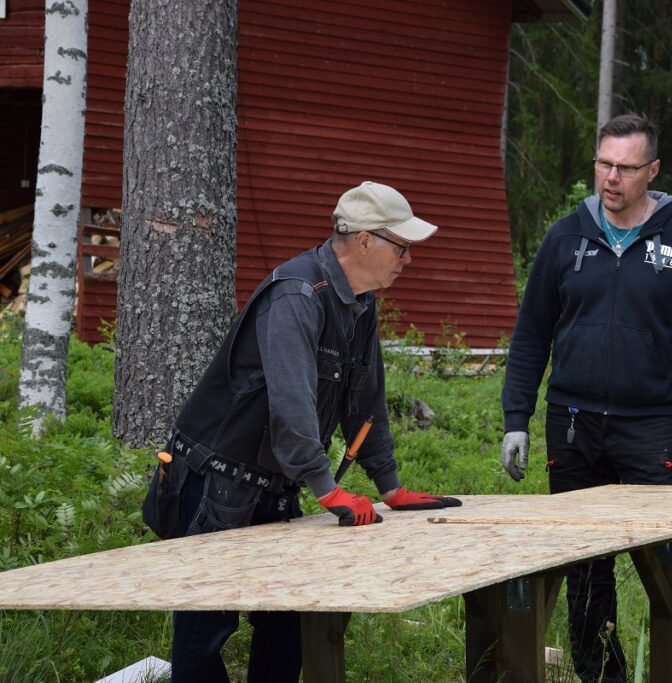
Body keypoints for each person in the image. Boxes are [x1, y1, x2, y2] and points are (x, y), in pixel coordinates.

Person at [142, 181, 462, 683]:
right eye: (401, 247)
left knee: (287, 623)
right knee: (206, 632)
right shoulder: (297, 294)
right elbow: (291, 404)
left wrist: (390, 486)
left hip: (271, 483)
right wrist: (327, 488)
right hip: (214, 482)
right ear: (364, 241)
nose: (407, 259)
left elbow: (366, 401)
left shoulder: (359, 301)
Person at [500, 114, 672, 683]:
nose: (611, 177)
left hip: (651, 426)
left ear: (652, 170)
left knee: (667, 559)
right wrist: (516, 419)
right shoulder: (566, 236)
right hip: (572, 425)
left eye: (625, 167)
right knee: (583, 567)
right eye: (604, 164)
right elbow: (531, 335)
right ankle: (602, 675)